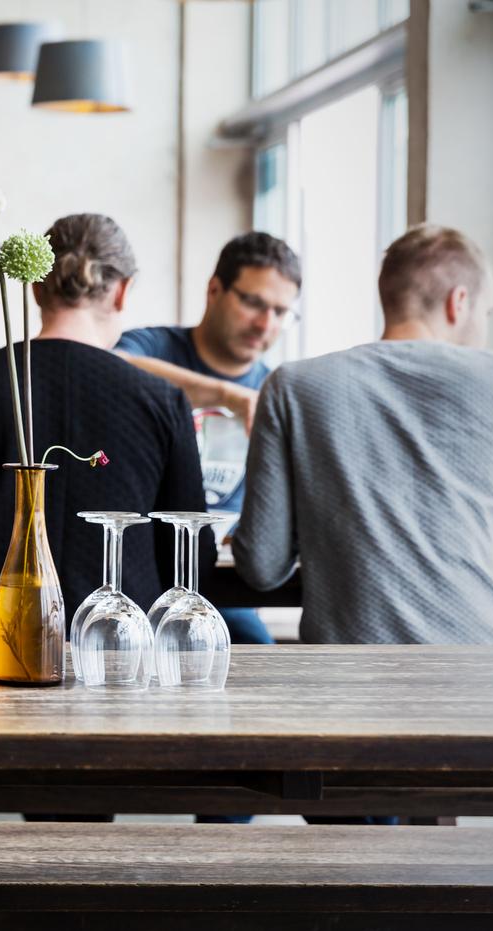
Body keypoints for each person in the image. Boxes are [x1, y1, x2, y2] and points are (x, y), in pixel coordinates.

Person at [0, 213, 214, 643]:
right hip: (117, 653)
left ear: (35, 288)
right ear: (123, 291)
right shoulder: (163, 400)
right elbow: (194, 555)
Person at [235, 224, 493, 646]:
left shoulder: (296, 386)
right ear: (459, 302)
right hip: (481, 675)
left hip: (349, 683)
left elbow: (263, 566)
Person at [114, 232, 302, 647]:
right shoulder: (154, 347)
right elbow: (113, 366)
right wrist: (226, 395)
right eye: (253, 302)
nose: (265, 324)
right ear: (214, 289)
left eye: (280, 312)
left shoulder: (278, 387)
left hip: (223, 585)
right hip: (144, 571)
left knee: (261, 658)